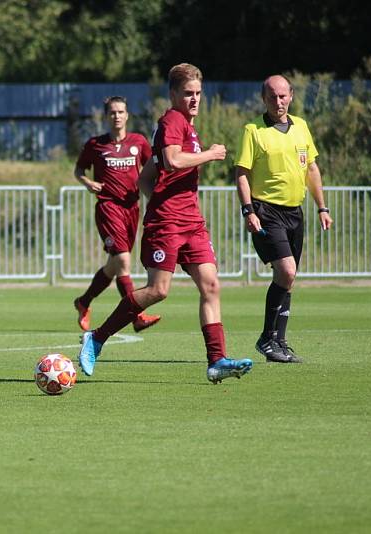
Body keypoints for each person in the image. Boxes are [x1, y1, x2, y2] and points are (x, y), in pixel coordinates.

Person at [78, 63, 253, 384]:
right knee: (158, 290)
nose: (195, 99)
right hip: (168, 223)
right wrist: (211, 155)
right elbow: (172, 160)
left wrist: (159, 194)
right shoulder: (173, 121)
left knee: (211, 285)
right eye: (188, 93)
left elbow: (147, 176)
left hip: (192, 222)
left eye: (199, 93)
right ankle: (97, 338)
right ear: (173, 94)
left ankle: (216, 361)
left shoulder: (187, 125)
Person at [234, 75, 333, 363]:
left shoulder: (301, 126)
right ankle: (266, 338)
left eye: (283, 96)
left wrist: (322, 207)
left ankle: (279, 341)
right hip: (266, 210)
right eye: (272, 97)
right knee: (287, 271)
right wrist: (248, 210)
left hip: (295, 211)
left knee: (288, 279)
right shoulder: (253, 130)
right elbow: (242, 173)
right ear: (263, 99)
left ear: (291, 95)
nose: (278, 102)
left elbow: (311, 169)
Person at [72, 96, 161, 335]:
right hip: (108, 207)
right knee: (123, 260)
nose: (117, 116)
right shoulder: (95, 144)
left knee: (113, 267)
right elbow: (78, 169)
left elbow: (152, 168)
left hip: (131, 209)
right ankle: (137, 316)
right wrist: (87, 182)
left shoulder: (139, 142)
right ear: (106, 116)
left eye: (121, 112)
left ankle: (83, 301)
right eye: (112, 112)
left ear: (127, 115)